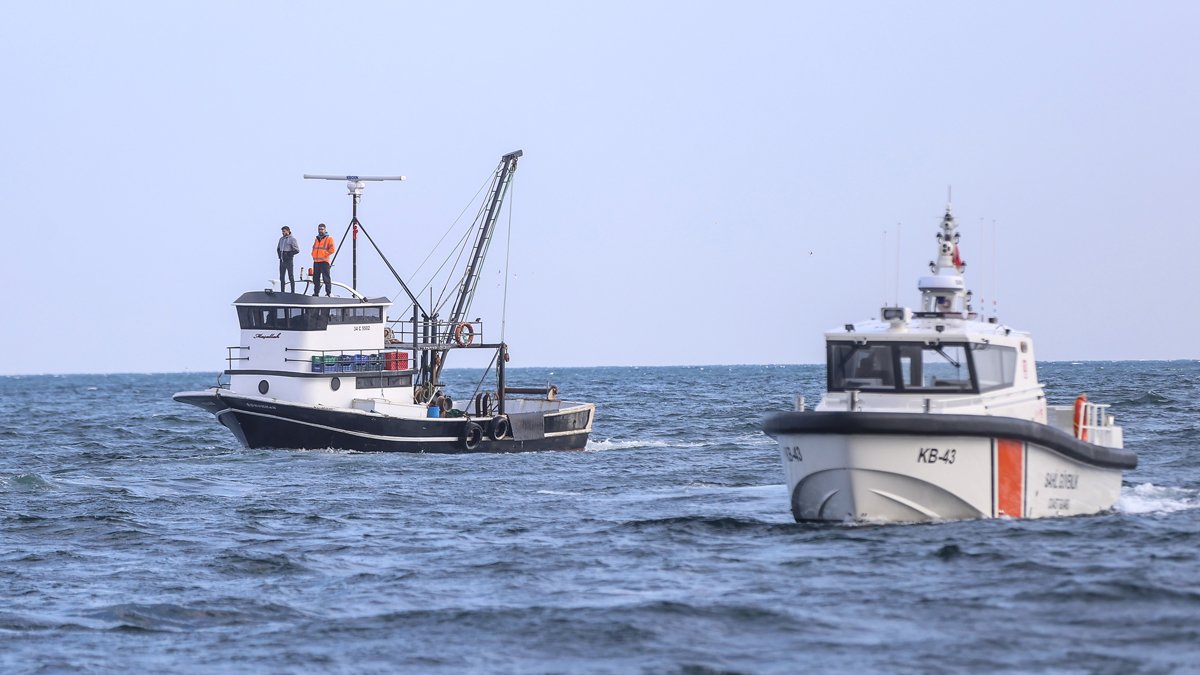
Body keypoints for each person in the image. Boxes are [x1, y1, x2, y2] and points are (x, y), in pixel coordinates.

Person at [311, 223, 336, 296]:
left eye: (322, 229)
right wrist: (313, 254)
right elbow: (314, 248)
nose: (320, 230)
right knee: (315, 278)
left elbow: (332, 249)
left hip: (324, 262)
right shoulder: (317, 239)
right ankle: (316, 293)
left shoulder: (329, 239)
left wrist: (324, 254)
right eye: (319, 229)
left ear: (325, 230)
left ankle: (328, 293)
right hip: (316, 261)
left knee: (326, 278)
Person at [276, 226, 300, 293]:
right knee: (281, 277)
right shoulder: (281, 239)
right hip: (282, 261)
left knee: (291, 276)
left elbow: (297, 250)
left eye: (284, 231)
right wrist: (279, 255)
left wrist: (289, 254)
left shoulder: (292, 239)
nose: (283, 233)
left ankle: (293, 292)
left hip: (289, 261)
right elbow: (278, 248)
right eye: (282, 231)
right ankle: (282, 291)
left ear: (288, 231)